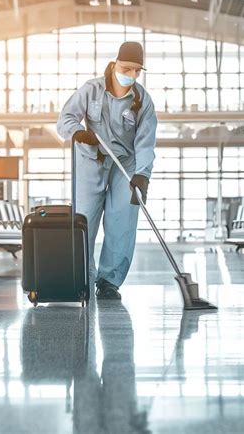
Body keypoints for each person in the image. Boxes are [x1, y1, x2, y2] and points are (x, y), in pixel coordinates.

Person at [57, 41, 157, 300]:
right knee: (84, 219)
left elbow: (145, 142)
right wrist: (79, 132)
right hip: (92, 159)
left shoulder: (142, 100)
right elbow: (66, 118)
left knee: (122, 219)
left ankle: (108, 282)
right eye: (127, 68)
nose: (131, 75)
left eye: (137, 71)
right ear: (114, 64)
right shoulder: (92, 90)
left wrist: (142, 176)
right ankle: (81, 277)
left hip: (126, 163)